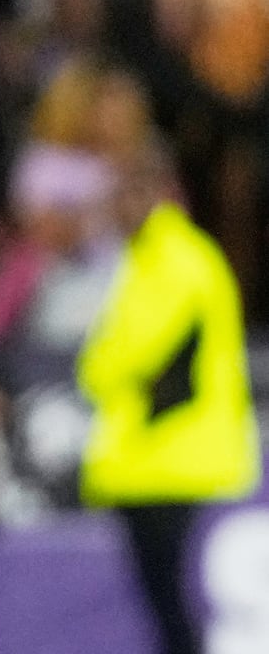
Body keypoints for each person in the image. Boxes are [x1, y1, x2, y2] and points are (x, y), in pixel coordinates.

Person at [77, 136, 261, 654]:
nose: (118, 207)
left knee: (181, 615)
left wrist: (96, 362)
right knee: (170, 612)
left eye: (130, 193)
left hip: (175, 461)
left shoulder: (175, 259)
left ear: (161, 193)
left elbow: (122, 357)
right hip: (158, 464)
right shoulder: (152, 257)